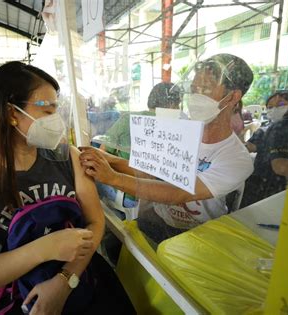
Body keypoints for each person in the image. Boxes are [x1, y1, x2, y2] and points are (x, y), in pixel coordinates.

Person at [0, 62, 134, 315]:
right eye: (47, 111)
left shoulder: (68, 158)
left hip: (81, 274)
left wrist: (65, 281)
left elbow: (95, 223)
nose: (56, 121)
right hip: (25, 292)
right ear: (10, 113)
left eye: (57, 109)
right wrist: (44, 248)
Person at [80, 53, 254, 244]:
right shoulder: (178, 130)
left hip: (199, 236)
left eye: (205, 89)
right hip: (156, 221)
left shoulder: (236, 159)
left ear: (233, 96)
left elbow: (179, 193)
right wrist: (108, 159)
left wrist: (113, 178)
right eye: (193, 90)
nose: (196, 98)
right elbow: (151, 173)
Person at [103, 82, 182, 160]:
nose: (178, 109)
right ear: (171, 104)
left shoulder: (128, 119)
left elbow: (102, 151)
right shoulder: (172, 127)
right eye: (177, 105)